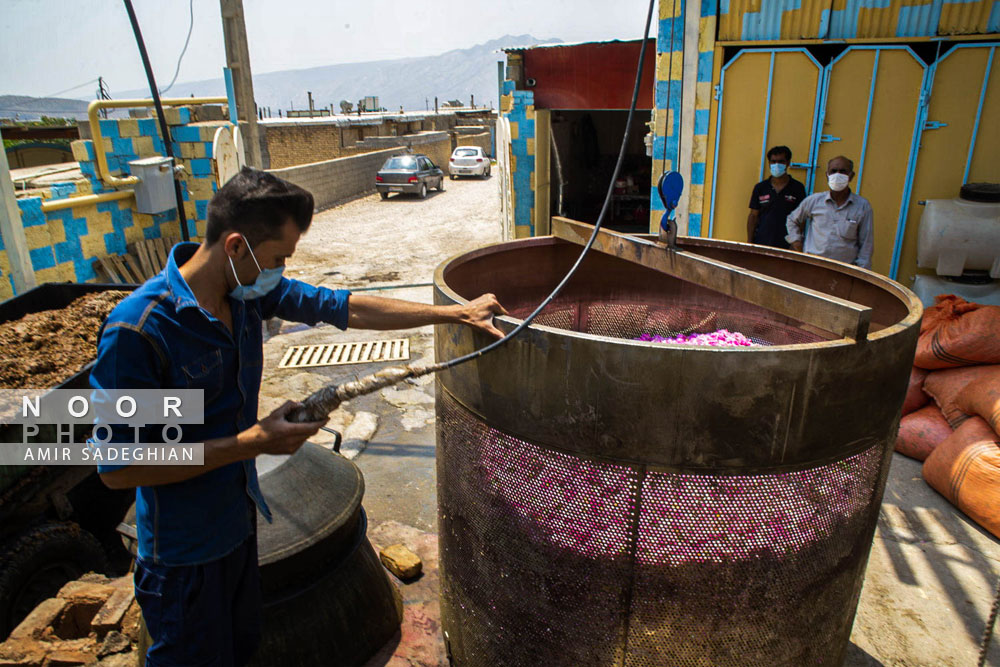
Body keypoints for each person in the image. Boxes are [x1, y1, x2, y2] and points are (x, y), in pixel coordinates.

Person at [91, 167, 507, 666]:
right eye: (278, 258)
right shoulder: (141, 332)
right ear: (237, 246)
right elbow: (118, 466)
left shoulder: (244, 292)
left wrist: (455, 315)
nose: (281, 270)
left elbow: (343, 307)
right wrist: (251, 443)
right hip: (183, 558)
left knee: (241, 652)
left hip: (240, 529)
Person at [785, 156, 874, 269]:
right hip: (812, 266)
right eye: (833, 171)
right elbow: (792, 220)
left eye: (843, 171)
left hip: (843, 270)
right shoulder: (814, 201)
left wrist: (862, 273)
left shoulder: (862, 206)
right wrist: (796, 241)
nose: (837, 175)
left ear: (851, 176)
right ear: (827, 175)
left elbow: (866, 245)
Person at [746, 145, 807, 248]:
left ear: (788, 163)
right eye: (773, 162)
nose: (776, 165)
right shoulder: (761, 188)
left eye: (781, 161)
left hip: (786, 244)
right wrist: (750, 241)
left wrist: (796, 242)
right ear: (769, 163)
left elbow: (801, 219)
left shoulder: (797, 188)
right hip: (762, 242)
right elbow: (753, 216)